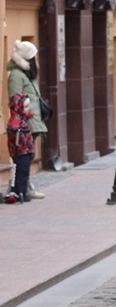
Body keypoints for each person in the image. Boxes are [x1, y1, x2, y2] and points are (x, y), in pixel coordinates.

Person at [6, 40, 48, 199]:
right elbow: (15, 101)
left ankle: (25, 186)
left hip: (32, 121)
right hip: (24, 125)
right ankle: (20, 188)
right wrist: (25, 120)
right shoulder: (17, 76)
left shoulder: (26, 75)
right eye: (33, 58)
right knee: (23, 158)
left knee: (28, 156)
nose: (36, 61)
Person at [5, 93, 34, 204]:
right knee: (21, 171)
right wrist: (17, 131)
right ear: (19, 107)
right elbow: (12, 129)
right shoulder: (16, 120)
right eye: (26, 107)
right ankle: (19, 191)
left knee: (24, 170)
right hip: (20, 150)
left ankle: (22, 190)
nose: (28, 109)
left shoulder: (24, 119)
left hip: (26, 150)